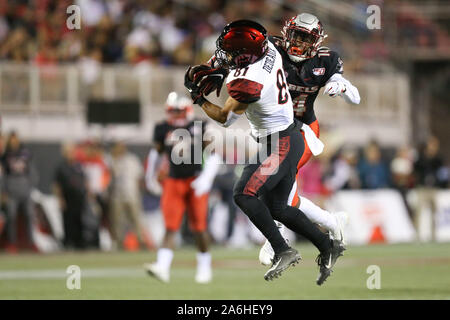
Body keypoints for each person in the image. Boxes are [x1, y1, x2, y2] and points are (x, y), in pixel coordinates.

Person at [194, 14, 360, 284]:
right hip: (282, 133)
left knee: (247, 193)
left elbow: (227, 117)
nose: (299, 43)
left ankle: (279, 244)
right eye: (297, 35)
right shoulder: (270, 49)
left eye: (307, 38)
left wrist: (340, 84)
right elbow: (233, 54)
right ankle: (328, 236)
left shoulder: (251, 77)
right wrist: (217, 64)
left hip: (295, 132)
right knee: (281, 205)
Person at [144, 92, 221, 284]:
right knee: (170, 226)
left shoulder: (200, 125)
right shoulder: (162, 128)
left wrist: (206, 178)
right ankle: (162, 267)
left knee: (199, 228)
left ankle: (204, 267)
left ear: (187, 110)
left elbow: (214, 155)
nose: (175, 115)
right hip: (173, 180)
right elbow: (155, 154)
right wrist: (150, 177)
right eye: (172, 111)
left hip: (195, 180)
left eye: (178, 111)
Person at [1, 131, 38, 253]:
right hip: (11, 192)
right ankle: (12, 243)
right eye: (11, 139)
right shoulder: (5, 155)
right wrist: (4, 191)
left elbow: (31, 171)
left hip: (25, 190)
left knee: (30, 215)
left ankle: (31, 242)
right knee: (11, 217)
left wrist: (30, 186)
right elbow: (4, 175)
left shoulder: (25, 153)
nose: (13, 141)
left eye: (15, 139)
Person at [109, 141, 146, 250]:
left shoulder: (132, 159)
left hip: (132, 194)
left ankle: (141, 241)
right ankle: (118, 243)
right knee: (117, 221)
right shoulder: (113, 160)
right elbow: (111, 176)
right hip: (117, 195)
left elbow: (139, 177)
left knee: (136, 219)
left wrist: (139, 192)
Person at [54, 142, 88, 250]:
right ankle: (69, 244)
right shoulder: (61, 167)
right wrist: (60, 199)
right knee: (68, 222)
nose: (70, 154)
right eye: (68, 152)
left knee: (80, 221)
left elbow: (85, 180)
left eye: (72, 152)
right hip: (67, 197)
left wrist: (87, 194)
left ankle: (80, 244)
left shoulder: (79, 166)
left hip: (79, 198)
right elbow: (57, 185)